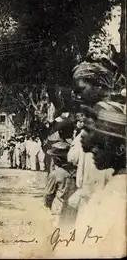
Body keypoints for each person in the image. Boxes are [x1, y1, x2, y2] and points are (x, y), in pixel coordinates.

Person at [73, 100, 126, 257]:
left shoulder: (117, 191)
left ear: (120, 149)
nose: (93, 151)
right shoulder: (116, 181)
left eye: (100, 146)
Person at [43, 141, 77, 228]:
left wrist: (48, 205)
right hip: (73, 209)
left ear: (56, 159)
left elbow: (48, 194)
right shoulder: (76, 173)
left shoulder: (55, 174)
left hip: (58, 209)